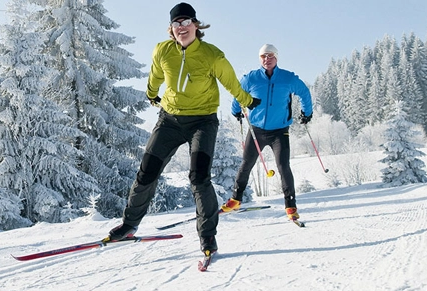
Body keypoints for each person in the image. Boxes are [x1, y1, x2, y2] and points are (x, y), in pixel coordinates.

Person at [106, 2, 260, 258]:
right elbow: (156, 74)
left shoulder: (212, 55)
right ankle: (129, 225)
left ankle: (208, 236)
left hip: (203, 122)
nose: (182, 27)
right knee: (147, 173)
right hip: (169, 121)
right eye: (177, 23)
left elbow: (230, 82)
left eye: (186, 21)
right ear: (171, 29)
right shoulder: (163, 50)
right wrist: (152, 94)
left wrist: (246, 100)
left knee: (199, 178)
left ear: (196, 26)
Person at [222, 44, 313, 221]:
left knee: (283, 166)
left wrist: (307, 112)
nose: (267, 59)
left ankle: (291, 206)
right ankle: (235, 199)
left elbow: (304, 92)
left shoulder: (287, 78)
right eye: (263, 56)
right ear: (260, 59)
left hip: (280, 131)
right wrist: (235, 110)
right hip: (257, 130)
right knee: (246, 164)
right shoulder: (251, 78)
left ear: (276, 58)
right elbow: (238, 93)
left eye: (270, 56)